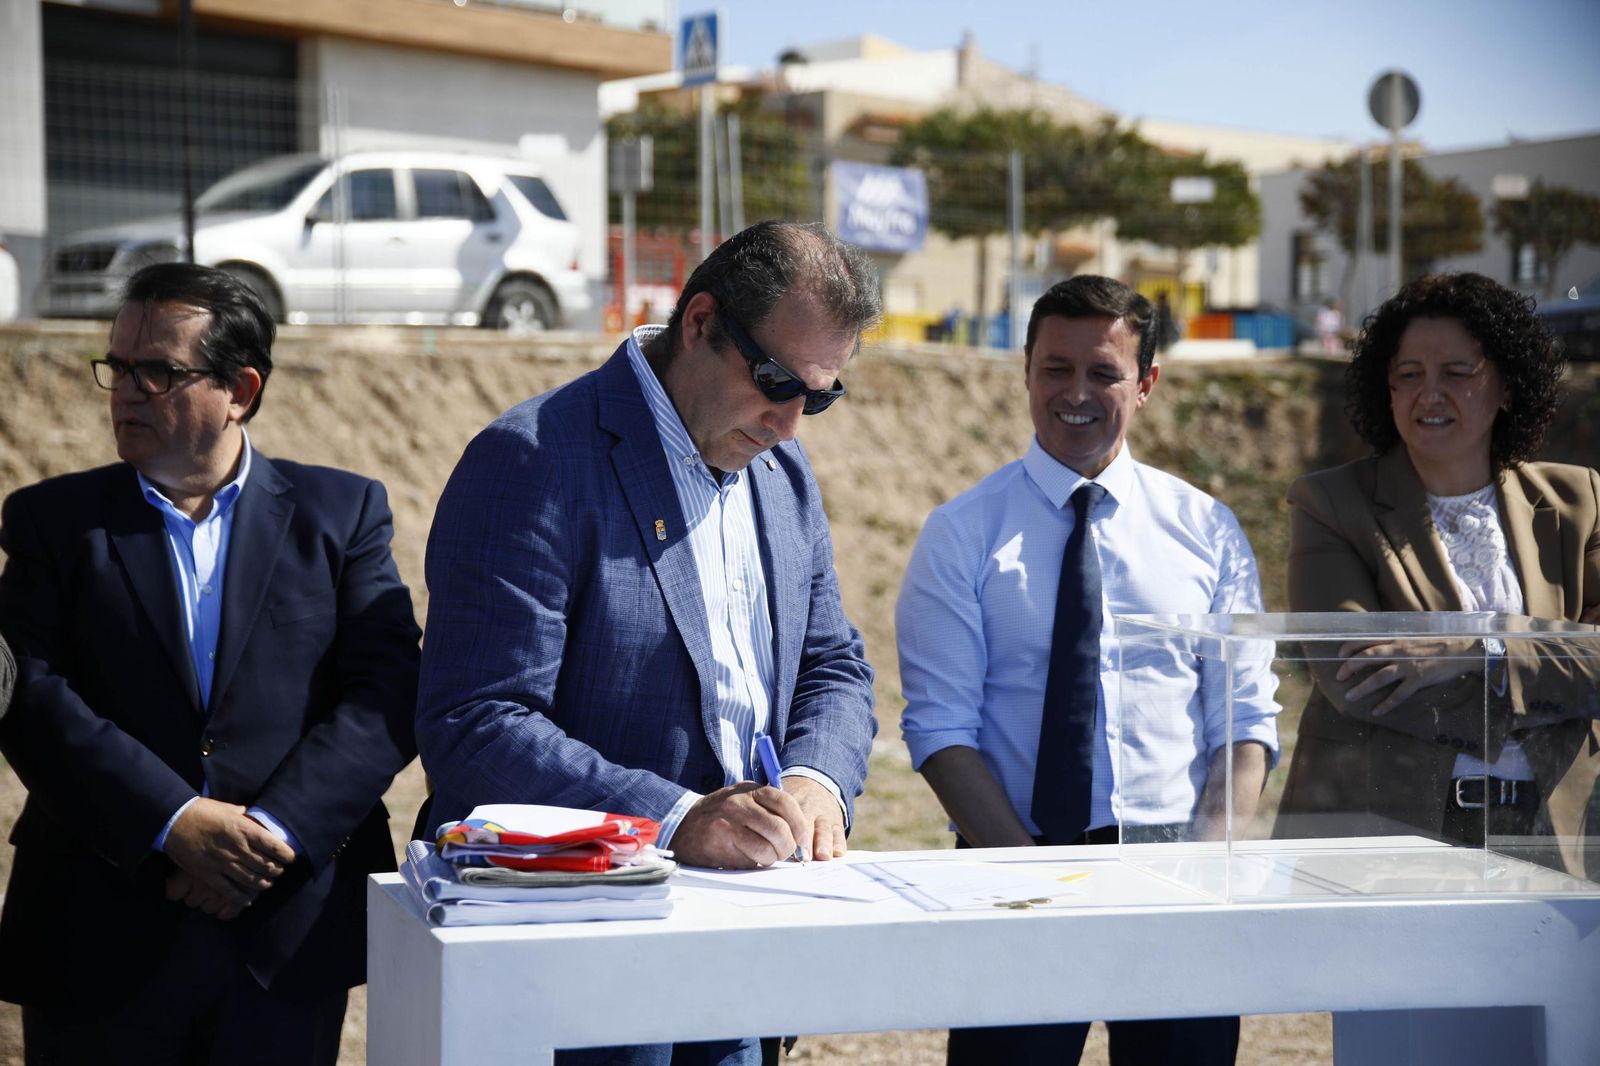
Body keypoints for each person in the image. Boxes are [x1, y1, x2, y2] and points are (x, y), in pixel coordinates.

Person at [415, 220, 880, 1066]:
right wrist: (674, 821)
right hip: (579, 951)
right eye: (777, 382)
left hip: (744, 938)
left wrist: (816, 783)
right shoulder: (532, 461)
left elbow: (832, 664)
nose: (790, 423)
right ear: (699, 322)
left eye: (820, 397)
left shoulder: (782, 473)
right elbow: (476, 724)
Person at [0, 262, 421, 1065]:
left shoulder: (342, 514)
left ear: (240, 389)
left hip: (282, 938)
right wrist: (174, 823)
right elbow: (30, 696)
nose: (125, 390)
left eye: (157, 370)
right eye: (117, 367)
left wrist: (270, 831)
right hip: (99, 929)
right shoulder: (51, 523)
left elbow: (388, 686)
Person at [897, 275, 1279, 1066]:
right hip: (1011, 871)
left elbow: (1243, 720)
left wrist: (1206, 870)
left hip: (1176, 874)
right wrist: (1033, 880)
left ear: (1146, 384)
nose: (1076, 393)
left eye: (1103, 373)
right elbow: (939, 731)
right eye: (1055, 369)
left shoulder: (1207, 530)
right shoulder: (960, 533)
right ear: (1027, 373)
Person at [1273, 272, 1599, 876]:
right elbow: (1356, 676)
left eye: (1457, 372)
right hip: (1383, 847)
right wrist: (1549, 679)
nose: (1430, 393)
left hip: (1553, 841)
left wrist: (1480, 651)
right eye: (1409, 375)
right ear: (1386, 389)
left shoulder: (1579, 500)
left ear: (1505, 383)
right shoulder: (1330, 503)